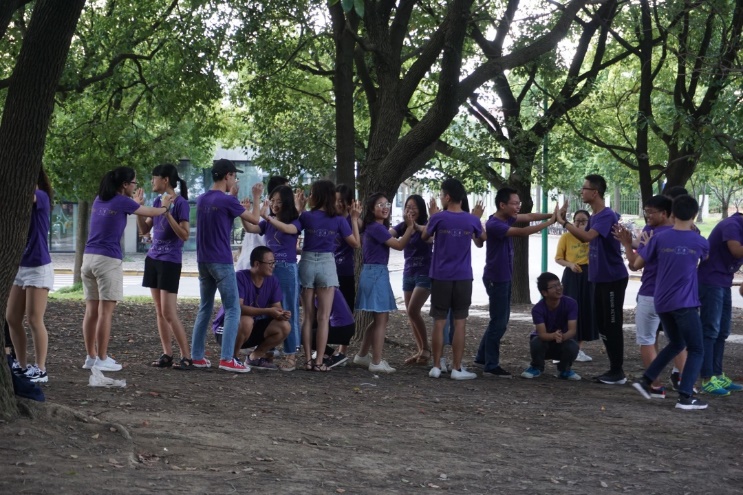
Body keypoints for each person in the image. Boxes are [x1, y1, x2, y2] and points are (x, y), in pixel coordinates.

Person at [81, 166, 172, 371]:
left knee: (91, 311)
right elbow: (151, 212)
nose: (135, 186)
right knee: (105, 312)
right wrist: (165, 207)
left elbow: (134, 208)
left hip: (88, 258)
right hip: (107, 260)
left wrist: (136, 203)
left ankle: (91, 357)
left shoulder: (99, 199)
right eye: (133, 183)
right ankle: (102, 358)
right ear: (124, 185)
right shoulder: (121, 201)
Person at [270, 180, 361, 371]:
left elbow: (292, 229)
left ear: (318, 196)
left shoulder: (306, 216)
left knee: (308, 317)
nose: (309, 196)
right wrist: (354, 219)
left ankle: (307, 360)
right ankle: (319, 361)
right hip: (327, 264)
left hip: (307, 263)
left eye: (311, 193)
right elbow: (355, 243)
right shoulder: (338, 220)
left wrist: (299, 208)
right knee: (324, 317)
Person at [630, 195, 709, 410]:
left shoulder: (658, 238)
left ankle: (646, 381)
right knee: (696, 348)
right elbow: (706, 260)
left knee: (676, 343)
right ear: (694, 215)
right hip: (685, 302)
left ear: (672, 214)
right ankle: (685, 396)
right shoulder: (700, 241)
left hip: (661, 301)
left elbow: (638, 262)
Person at [474, 187, 557, 378]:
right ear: (502, 205)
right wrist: (551, 222)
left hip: (503, 277)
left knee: (498, 320)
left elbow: (529, 217)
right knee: (499, 322)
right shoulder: (495, 224)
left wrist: (551, 214)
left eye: (519, 203)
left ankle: (482, 357)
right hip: (496, 279)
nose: (518, 206)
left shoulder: (507, 218)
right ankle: (491, 365)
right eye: (514, 203)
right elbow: (524, 231)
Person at [189, 158, 262, 373]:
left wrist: (234, 197)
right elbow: (255, 219)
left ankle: (196, 356)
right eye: (234, 176)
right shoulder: (227, 200)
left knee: (205, 307)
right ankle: (227, 358)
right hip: (221, 260)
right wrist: (256, 197)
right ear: (227, 176)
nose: (235, 180)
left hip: (203, 260)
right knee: (232, 308)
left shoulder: (202, 199)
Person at [555, 174, 629, 385]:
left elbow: (587, 237)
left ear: (595, 192)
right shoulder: (595, 216)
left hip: (612, 279)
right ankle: (614, 369)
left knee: (612, 324)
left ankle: (617, 371)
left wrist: (564, 222)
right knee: (603, 325)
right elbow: (581, 236)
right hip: (598, 279)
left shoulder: (606, 215)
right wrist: (564, 220)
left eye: (584, 188)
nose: (582, 191)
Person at [420, 178, 485, 380]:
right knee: (460, 322)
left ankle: (436, 366)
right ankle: (457, 368)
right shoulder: (471, 219)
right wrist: (476, 220)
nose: (440, 198)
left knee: (439, 322)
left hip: (440, 276)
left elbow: (425, 237)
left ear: (447, 197)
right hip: (463, 277)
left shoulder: (438, 218)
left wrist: (432, 216)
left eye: (441, 195)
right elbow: (482, 240)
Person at [615, 195, 679, 397]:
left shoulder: (653, 234)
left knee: (647, 339)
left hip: (651, 293)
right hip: (676, 296)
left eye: (651, 212)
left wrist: (627, 244)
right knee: (678, 341)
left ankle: (655, 386)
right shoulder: (684, 233)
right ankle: (686, 385)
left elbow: (635, 265)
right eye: (646, 212)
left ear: (665, 213)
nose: (648, 216)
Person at [136, 164, 193, 370]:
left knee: (169, 312)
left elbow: (184, 235)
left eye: (155, 177)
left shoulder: (181, 203)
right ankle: (167, 354)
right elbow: (145, 229)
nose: (152, 181)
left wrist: (167, 212)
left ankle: (186, 356)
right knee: (159, 311)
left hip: (170, 261)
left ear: (165, 179)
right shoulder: (156, 201)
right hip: (153, 258)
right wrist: (138, 209)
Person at [352, 193, 415, 373]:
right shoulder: (376, 227)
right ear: (372, 209)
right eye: (380, 205)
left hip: (374, 273)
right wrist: (410, 227)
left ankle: (362, 355)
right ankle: (376, 362)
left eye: (387, 204)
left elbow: (392, 234)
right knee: (381, 319)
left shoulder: (375, 227)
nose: (385, 207)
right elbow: (399, 245)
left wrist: (406, 225)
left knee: (379, 319)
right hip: (376, 274)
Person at [242, 184, 301, 371]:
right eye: (273, 200)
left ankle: (291, 354)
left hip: (286, 269)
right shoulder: (267, 222)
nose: (275, 204)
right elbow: (251, 228)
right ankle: (266, 352)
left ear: (287, 203)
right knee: (268, 309)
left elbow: (288, 229)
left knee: (288, 310)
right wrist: (243, 213)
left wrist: (267, 217)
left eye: (279, 202)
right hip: (268, 270)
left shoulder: (295, 221)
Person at [7, 169, 54, 383]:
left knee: (34, 318)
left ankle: (41, 369)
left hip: (38, 265)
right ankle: (22, 364)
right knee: (12, 318)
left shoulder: (41, 196)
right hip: (20, 266)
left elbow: (25, 197)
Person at [211, 246, 290, 370]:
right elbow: (238, 308)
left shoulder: (272, 281)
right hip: (227, 330)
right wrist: (267, 311)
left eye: (273, 263)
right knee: (246, 320)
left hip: (251, 327)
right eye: (270, 263)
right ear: (257, 264)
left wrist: (281, 314)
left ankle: (255, 358)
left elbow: (277, 307)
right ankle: (232, 358)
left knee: (284, 326)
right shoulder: (239, 277)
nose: (273, 266)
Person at [696, 206, 743, 395]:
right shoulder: (732, 225)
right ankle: (707, 379)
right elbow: (736, 251)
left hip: (724, 281)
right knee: (710, 330)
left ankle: (717, 374)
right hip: (710, 281)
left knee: (723, 331)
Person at [391, 194, 433, 366]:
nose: (410, 210)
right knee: (411, 314)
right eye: (407, 207)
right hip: (408, 273)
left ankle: (426, 349)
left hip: (424, 272)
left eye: (414, 207)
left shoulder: (427, 225)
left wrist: (415, 227)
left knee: (413, 310)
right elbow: (388, 235)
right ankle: (421, 350)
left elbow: (430, 236)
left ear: (421, 209)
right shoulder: (403, 226)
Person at [521, 272, 581, 381]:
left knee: (573, 346)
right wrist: (554, 336)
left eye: (559, 284)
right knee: (536, 342)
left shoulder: (571, 303)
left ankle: (564, 370)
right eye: (553, 286)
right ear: (544, 292)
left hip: (563, 340)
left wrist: (562, 337)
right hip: (545, 342)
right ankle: (536, 367)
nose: (559, 288)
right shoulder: (537, 309)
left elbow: (572, 330)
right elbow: (542, 334)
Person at [554, 209, 596, 362]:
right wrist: (570, 264)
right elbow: (558, 258)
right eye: (577, 221)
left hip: (588, 275)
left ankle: (577, 349)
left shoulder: (592, 237)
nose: (579, 224)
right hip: (571, 275)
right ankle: (561, 348)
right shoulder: (566, 237)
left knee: (585, 309)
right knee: (569, 309)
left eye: (583, 221)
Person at [235, 176, 289, 270]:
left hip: (251, 262)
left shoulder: (260, 208)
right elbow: (252, 229)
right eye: (287, 190)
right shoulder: (270, 210)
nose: (290, 194)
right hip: (260, 265)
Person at [331, 183, 358, 365]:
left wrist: (354, 219)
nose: (338, 204)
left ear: (349, 203)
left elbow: (356, 242)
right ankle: (325, 348)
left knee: (346, 310)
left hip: (346, 272)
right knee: (326, 310)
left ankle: (342, 351)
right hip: (329, 272)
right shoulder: (330, 219)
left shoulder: (352, 221)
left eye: (342, 201)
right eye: (336, 200)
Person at [313, 289, 356, 367]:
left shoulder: (326, 291)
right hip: (346, 327)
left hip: (342, 328)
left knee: (305, 336)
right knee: (309, 333)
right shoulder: (331, 289)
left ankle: (335, 355)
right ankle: (325, 355)